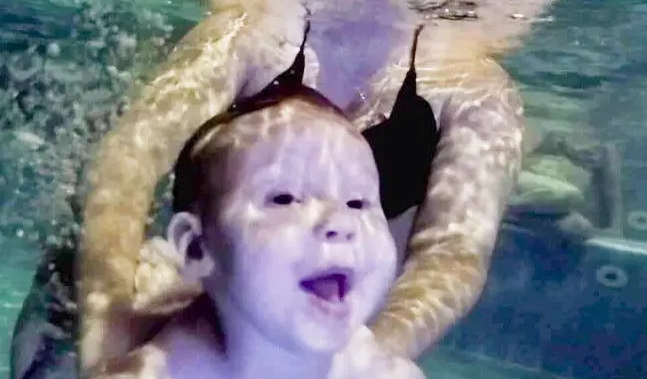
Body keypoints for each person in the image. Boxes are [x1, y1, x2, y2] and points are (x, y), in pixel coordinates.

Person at [77, 0, 575, 373]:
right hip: (182, 285)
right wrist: (108, 325)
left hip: (334, 312)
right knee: (69, 319)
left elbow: (454, 254)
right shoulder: (252, 34)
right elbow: (128, 165)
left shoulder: (473, 88)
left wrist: (364, 353)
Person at [85, 61, 424, 379]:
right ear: (195, 248)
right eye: (284, 199)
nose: (341, 222)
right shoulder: (156, 371)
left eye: (358, 203)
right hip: (154, 288)